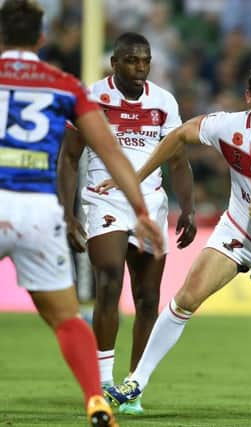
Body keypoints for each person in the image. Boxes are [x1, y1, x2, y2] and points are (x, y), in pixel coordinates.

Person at [102, 58, 251, 421]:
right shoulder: (227, 127)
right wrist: (136, 174)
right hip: (237, 228)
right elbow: (178, 135)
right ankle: (136, 381)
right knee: (186, 297)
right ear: (249, 97)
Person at [0, 1, 162, 426]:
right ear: (40, 38)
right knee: (67, 318)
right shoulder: (67, 86)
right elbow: (109, 151)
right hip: (38, 210)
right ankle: (96, 399)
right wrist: (142, 209)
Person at [58, 32, 197, 416]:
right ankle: (103, 382)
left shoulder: (164, 102)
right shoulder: (91, 97)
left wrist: (187, 207)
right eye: (132, 61)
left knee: (149, 299)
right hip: (102, 198)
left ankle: (133, 385)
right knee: (108, 281)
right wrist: (68, 213)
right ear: (114, 63)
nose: (140, 68)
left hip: (150, 201)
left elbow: (178, 160)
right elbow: (70, 158)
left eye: (145, 61)